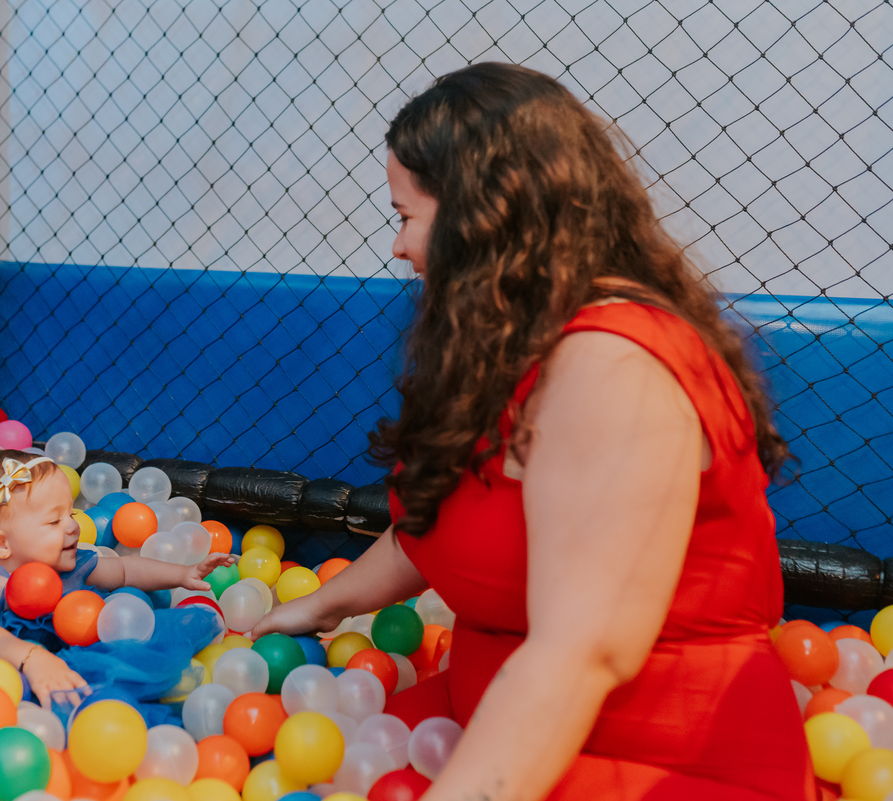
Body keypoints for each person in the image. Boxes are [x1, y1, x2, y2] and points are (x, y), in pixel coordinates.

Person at [252, 63, 814, 800]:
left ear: (480, 221)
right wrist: (321, 605)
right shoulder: (514, 346)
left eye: (405, 216)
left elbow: (579, 655)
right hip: (475, 721)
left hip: (644, 761)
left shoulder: (610, 367)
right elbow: (439, 520)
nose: (397, 246)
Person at [0, 449, 234, 708]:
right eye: (53, 521)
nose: (73, 526)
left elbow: (125, 570)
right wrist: (32, 659)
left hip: (91, 656)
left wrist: (183, 574)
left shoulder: (72, 565)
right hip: (24, 671)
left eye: (70, 513)